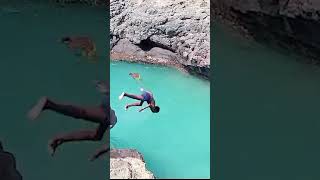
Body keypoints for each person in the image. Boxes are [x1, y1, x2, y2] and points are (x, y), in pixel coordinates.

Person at [26, 80, 117, 158]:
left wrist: (101, 151)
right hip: (111, 113)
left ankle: (58, 139)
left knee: (96, 136)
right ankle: (49, 105)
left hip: (112, 112)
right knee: (84, 113)